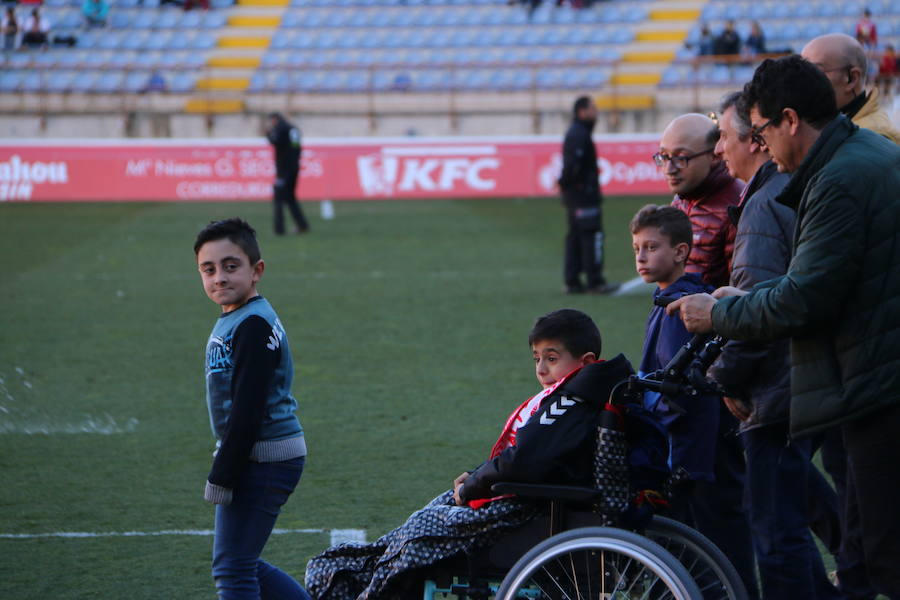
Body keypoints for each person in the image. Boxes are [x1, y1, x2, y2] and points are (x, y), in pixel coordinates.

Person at [667, 54, 900, 599]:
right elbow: (814, 281)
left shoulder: (837, 179)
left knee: (883, 556)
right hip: (869, 380)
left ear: (791, 119)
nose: (760, 143)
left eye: (764, 129)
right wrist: (748, 296)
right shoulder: (862, 156)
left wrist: (719, 312)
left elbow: (807, 298)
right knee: (865, 555)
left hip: (876, 385)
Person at [305, 309, 637, 599]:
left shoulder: (574, 399)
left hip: (534, 510)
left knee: (419, 534)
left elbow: (526, 459)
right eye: (536, 358)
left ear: (586, 361)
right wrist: (478, 474)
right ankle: (354, 575)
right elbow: (528, 453)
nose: (541, 369)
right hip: (533, 499)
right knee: (425, 518)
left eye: (551, 358)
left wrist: (476, 483)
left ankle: (360, 584)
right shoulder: (585, 391)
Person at [710, 91, 840, 600]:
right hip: (805, 379)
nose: (720, 148)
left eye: (724, 135)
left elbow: (757, 307)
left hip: (776, 388)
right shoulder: (791, 190)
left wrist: (726, 378)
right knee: (797, 513)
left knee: (774, 534)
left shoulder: (765, 204)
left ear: (757, 140)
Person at [630, 204, 758, 599]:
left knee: (717, 546)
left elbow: (687, 393)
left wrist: (683, 462)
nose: (640, 257)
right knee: (712, 546)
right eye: (636, 248)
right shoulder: (666, 299)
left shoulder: (684, 308)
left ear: (682, 252)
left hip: (697, 456)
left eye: (652, 247)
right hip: (697, 452)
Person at [194, 218, 311, 600]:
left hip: (263, 457)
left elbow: (248, 411)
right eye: (208, 269)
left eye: (231, 266)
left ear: (256, 270)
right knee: (241, 562)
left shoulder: (253, 326)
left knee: (232, 569)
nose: (219, 278)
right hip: (262, 454)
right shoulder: (241, 317)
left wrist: (223, 474)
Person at [654, 113, 743, 288]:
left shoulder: (736, 207)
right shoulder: (681, 200)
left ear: (715, 155)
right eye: (664, 156)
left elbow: (743, 296)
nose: (669, 169)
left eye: (681, 158)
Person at [558, 96, 617, 294]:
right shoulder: (579, 134)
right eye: (593, 108)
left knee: (575, 236)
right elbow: (572, 166)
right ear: (582, 111)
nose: (596, 112)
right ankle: (595, 281)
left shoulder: (578, 132)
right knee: (591, 235)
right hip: (583, 195)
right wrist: (569, 185)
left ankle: (572, 281)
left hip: (577, 195)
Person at [802, 33, 900, 143]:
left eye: (816, 72)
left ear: (852, 79)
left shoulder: (875, 138)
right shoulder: (832, 125)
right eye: (802, 73)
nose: (805, 82)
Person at [266, 113, 309, 236]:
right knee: (290, 197)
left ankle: (279, 229)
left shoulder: (281, 128)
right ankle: (302, 225)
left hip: (284, 170)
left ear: (275, 120)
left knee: (278, 198)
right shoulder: (293, 128)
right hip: (294, 168)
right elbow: (296, 146)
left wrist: (268, 133)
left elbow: (274, 141)